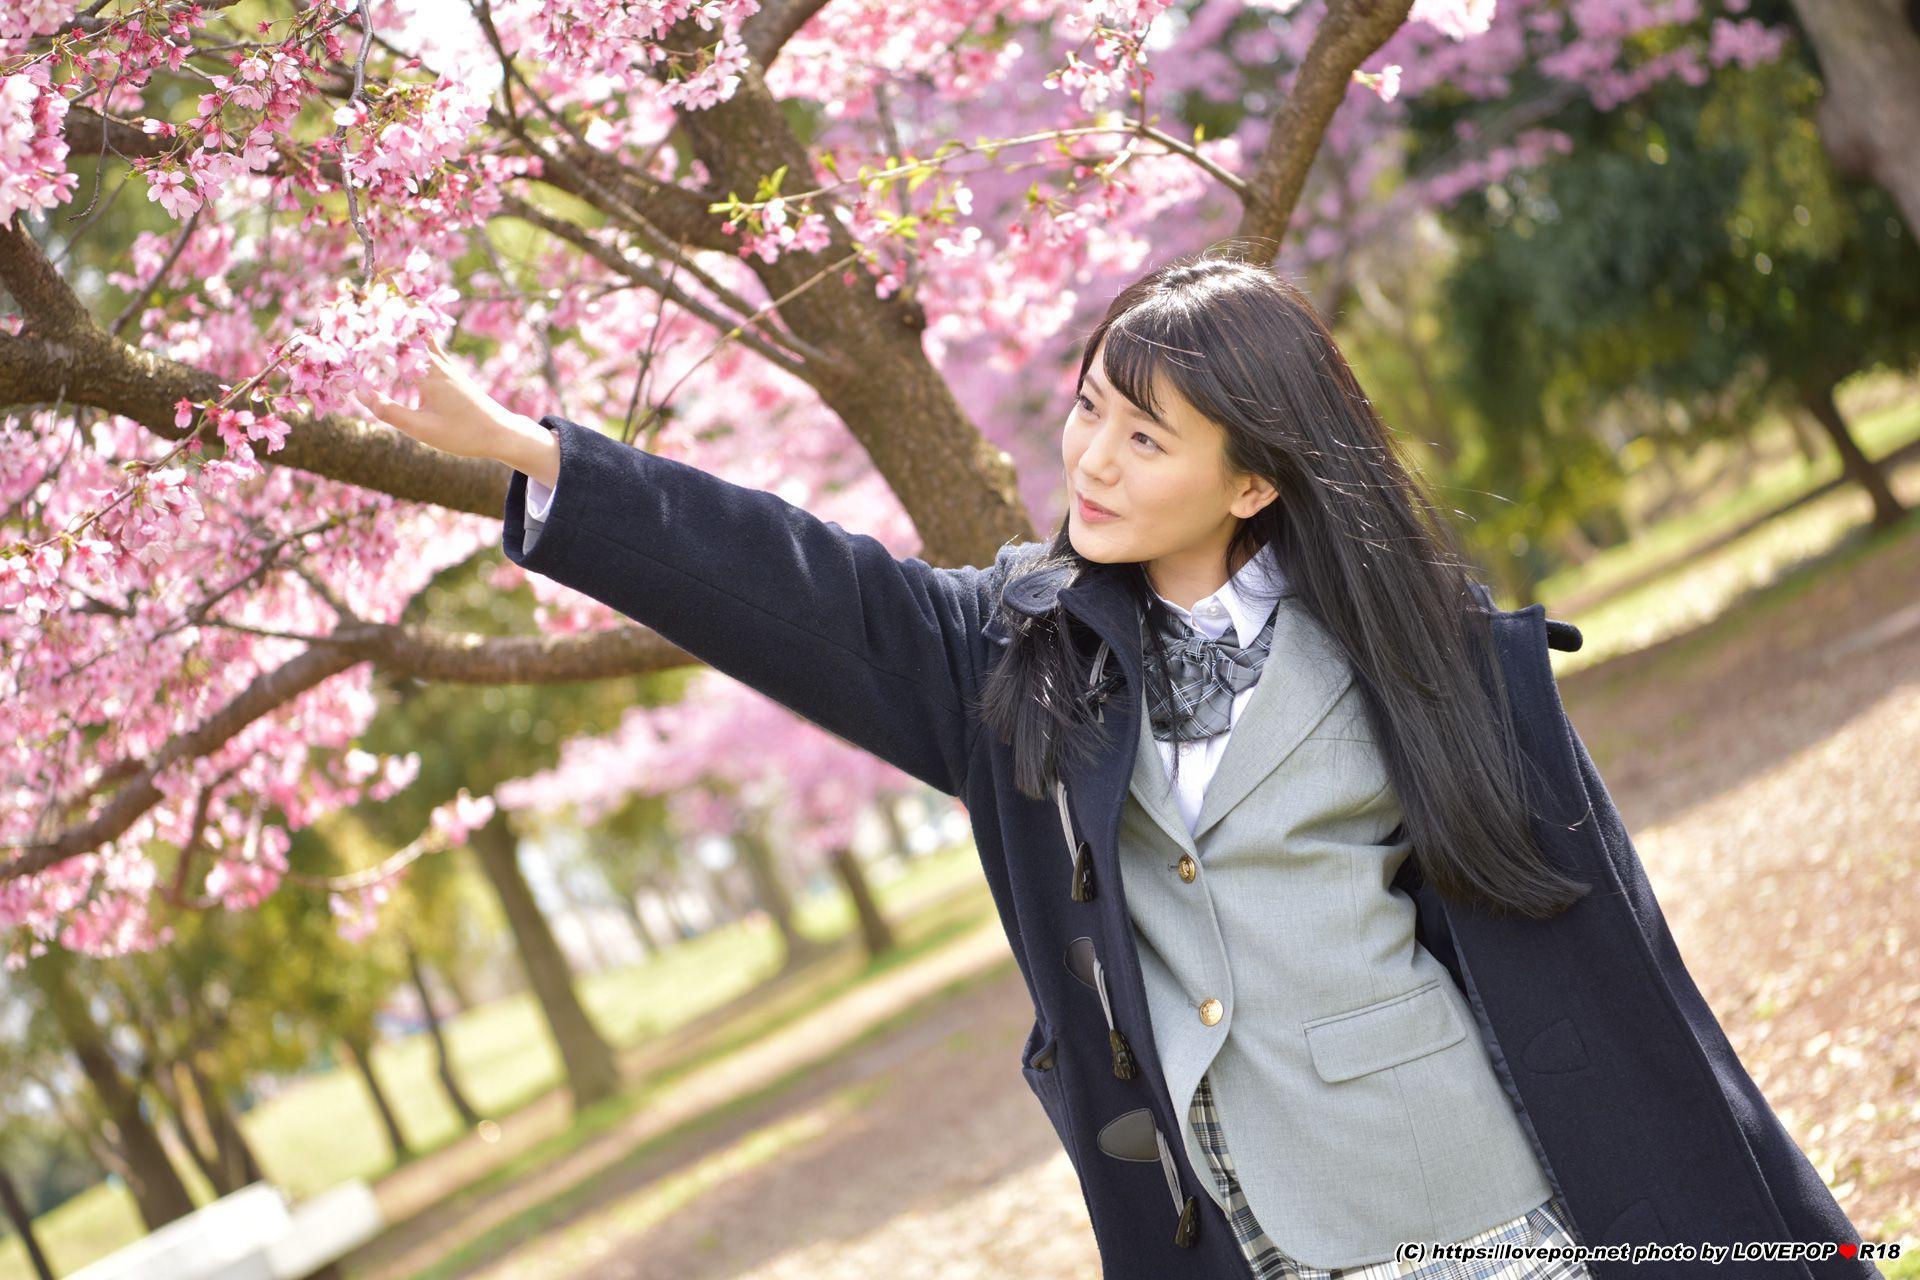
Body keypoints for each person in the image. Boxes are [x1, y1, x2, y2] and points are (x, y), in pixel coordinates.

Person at [360, 248, 1878, 1280]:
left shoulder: (1439, 664)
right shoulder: (1019, 657)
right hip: (1218, 1224)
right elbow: (804, 583)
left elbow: (1625, 993)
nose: (1088, 460)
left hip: (1464, 1204)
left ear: (1257, 478)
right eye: (1090, 408)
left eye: (1144, 442)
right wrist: (536, 454)